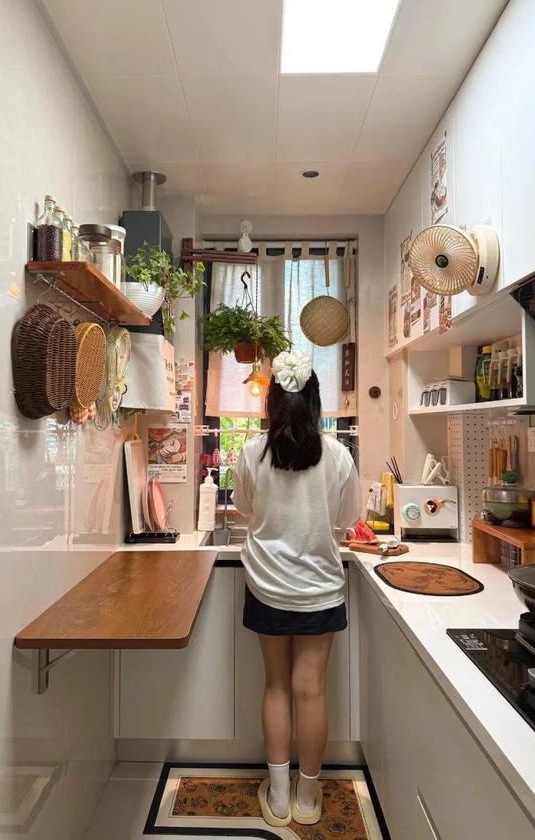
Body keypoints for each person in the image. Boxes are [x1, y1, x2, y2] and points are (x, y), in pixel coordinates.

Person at [232, 350, 361, 827]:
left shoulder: (252, 452)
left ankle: (279, 795)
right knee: (311, 691)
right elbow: (349, 518)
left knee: (276, 686)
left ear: (273, 404)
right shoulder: (338, 455)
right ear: (315, 401)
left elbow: (244, 508)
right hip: (320, 588)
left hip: (267, 585)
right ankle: (308, 798)